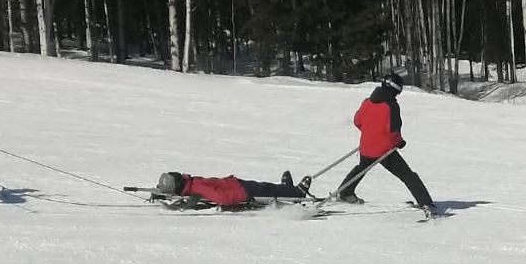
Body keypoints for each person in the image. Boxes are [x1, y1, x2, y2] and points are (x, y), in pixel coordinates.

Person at [336, 72, 437, 217]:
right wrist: (399, 143)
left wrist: (371, 132)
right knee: (408, 176)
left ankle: (345, 192)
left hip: (366, 146)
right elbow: (393, 131)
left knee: (361, 168)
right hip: (384, 151)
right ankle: (426, 203)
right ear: (396, 89)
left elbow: (358, 121)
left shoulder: (367, 102)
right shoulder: (391, 106)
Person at [152, 170, 310, 207]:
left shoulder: (191, 184)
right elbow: (223, 199)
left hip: (235, 185)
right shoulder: (197, 186)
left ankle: (286, 188)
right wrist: (243, 199)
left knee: (267, 187)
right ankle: (297, 193)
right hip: (241, 191)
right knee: (266, 189)